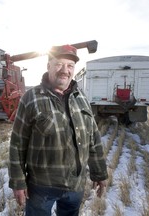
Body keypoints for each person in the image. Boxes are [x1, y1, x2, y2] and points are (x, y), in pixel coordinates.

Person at [8, 44, 108, 216]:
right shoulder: (31, 98)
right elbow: (17, 144)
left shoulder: (81, 98)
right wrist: (18, 182)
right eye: (59, 64)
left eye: (70, 65)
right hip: (41, 188)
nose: (65, 70)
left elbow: (93, 139)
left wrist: (99, 172)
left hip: (75, 186)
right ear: (48, 66)